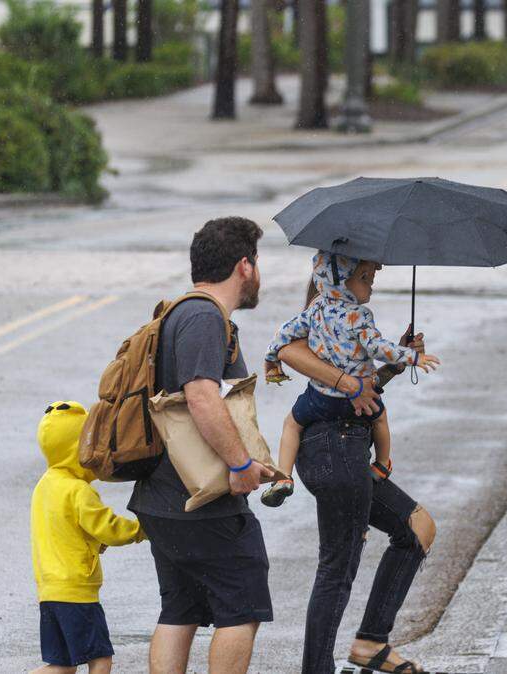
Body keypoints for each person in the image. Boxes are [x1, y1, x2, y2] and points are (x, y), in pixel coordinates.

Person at [126, 217, 279, 674]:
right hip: (200, 498)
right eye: (257, 262)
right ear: (244, 267)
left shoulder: (182, 313)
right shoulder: (203, 318)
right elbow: (200, 395)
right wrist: (240, 464)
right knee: (243, 605)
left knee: (182, 609)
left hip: (166, 498)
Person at [274, 271, 440, 674]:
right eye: (365, 274)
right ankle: (322, 667)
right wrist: (351, 380)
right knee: (338, 565)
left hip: (342, 445)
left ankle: (371, 642)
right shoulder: (315, 322)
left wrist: (395, 363)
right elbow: (288, 354)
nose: (373, 281)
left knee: (416, 528)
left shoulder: (342, 331)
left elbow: (361, 394)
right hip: (334, 446)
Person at [260, 252, 440, 508]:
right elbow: (375, 347)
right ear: (349, 280)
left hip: (319, 399)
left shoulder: (317, 311)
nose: (373, 282)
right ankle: (382, 464)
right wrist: (410, 356)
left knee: (291, 424)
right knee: (379, 418)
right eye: (367, 277)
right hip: (351, 413)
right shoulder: (359, 315)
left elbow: (282, 336)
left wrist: (270, 359)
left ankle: (283, 478)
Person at [30, 401, 146, 674]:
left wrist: (94, 542)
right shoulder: (78, 491)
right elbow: (107, 527)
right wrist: (143, 529)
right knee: (100, 660)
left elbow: (64, 528)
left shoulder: (45, 485)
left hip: (50, 590)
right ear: (77, 449)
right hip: (77, 592)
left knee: (62, 666)